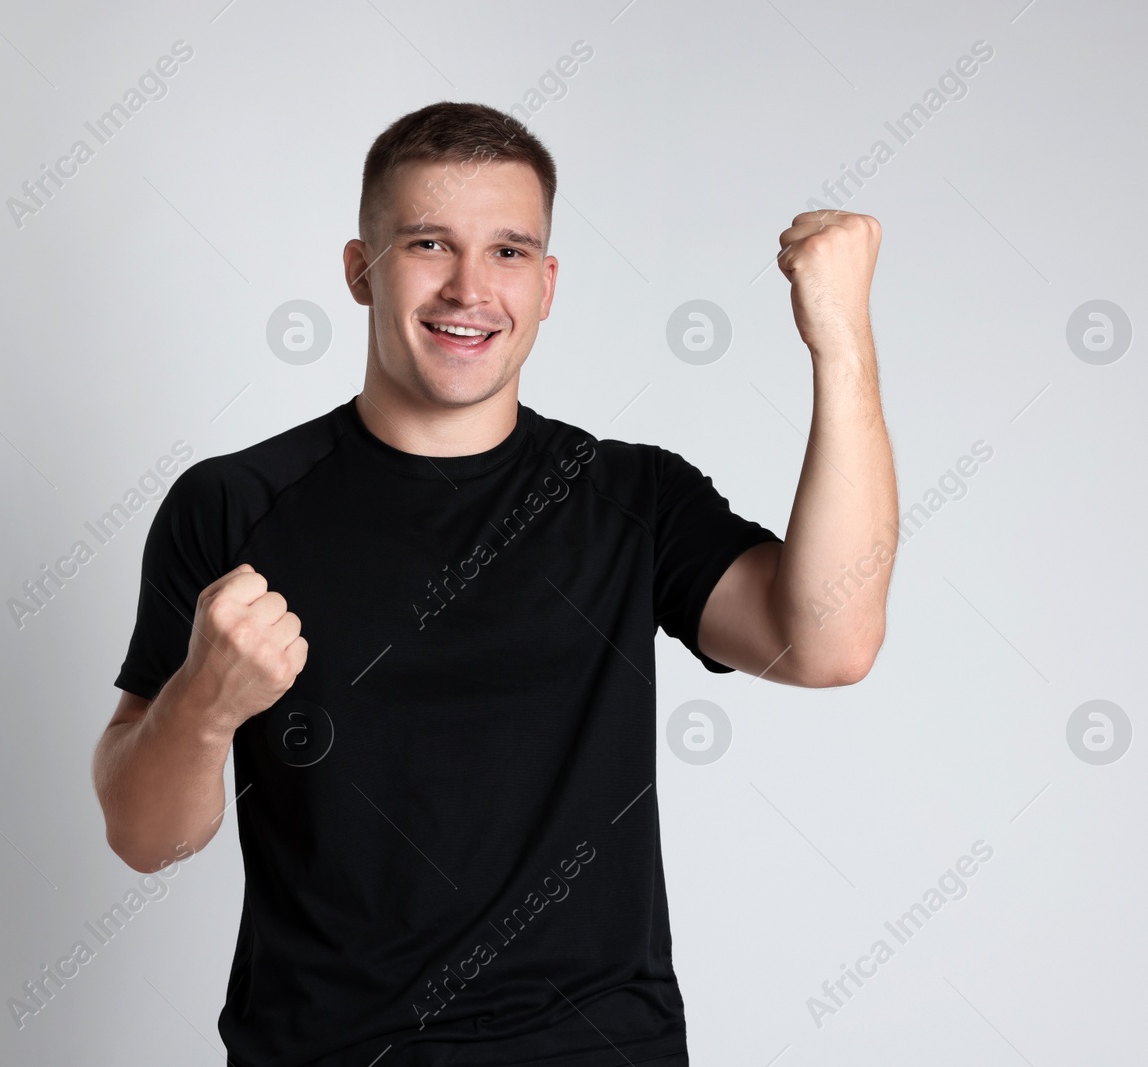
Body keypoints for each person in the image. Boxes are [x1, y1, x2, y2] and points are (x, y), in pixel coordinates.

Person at [92, 100, 896, 1066]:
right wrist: (204, 705)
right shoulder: (232, 506)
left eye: (509, 252)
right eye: (429, 242)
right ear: (360, 268)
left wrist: (840, 339)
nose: (470, 287)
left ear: (548, 283)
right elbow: (146, 837)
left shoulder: (631, 498)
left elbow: (831, 641)